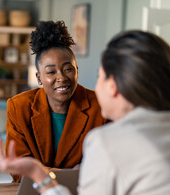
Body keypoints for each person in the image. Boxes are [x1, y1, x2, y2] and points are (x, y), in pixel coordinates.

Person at [0, 30, 170, 195]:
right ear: (39, 77)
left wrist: (40, 174)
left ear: (112, 86)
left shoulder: (107, 142)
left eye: (99, 77)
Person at [6, 21, 106, 182]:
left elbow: (108, 164)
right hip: (34, 193)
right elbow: (18, 168)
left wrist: (42, 171)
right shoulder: (19, 107)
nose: (61, 78)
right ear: (39, 78)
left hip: (86, 193)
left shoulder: (100, 105)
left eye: (68, 69)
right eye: (51, 72)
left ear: (77, 70)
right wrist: (70, 174)